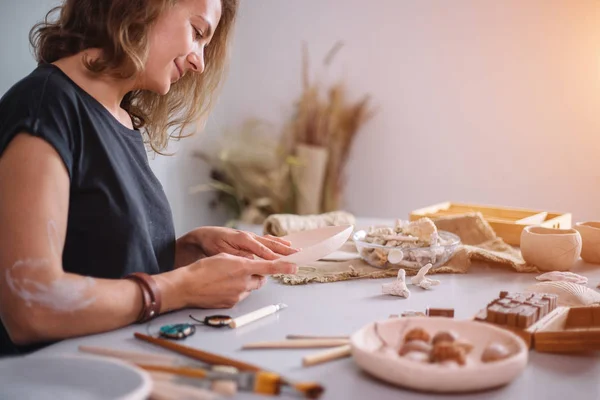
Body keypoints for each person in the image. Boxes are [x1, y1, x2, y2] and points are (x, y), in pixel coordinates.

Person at [0, 0, 298, 356]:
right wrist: (179, 288)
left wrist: (184, 253)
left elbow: (96, 259)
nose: (199, 63)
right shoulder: (46, 105)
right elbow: (31, 308)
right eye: (197, 32)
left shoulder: (120, 119)